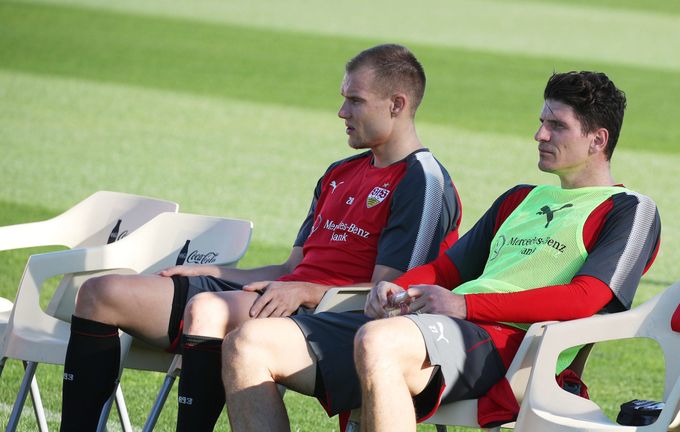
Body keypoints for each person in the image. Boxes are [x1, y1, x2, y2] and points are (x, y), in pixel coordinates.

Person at [220, 70, 662, 431]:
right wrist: (397, 288)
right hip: (432, 328)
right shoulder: (520, 198)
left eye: (557, 126)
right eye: (542, 121)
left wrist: (464, 306)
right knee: (248, 342)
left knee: (378, 339)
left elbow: (587, 299)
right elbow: (447, 269)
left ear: (598, 140)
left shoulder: (629, 209)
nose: (539, 134)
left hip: (511, 348)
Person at [59, 43, 462, 432]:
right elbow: (290, 268)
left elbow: (389, 295)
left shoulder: (420, 180)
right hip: (281, 293)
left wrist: (305, 292)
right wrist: (214, 270)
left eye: (355, 100)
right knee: (100, 293)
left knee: (208, 311)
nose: (341, 112)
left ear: (396, 104)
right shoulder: (339, 173)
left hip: (337, 316)